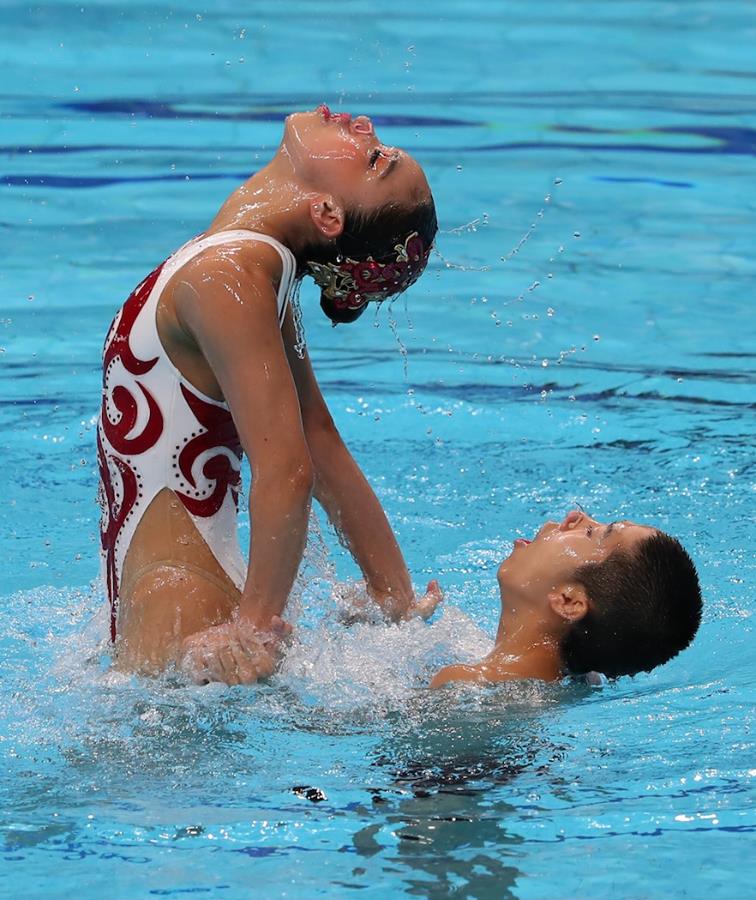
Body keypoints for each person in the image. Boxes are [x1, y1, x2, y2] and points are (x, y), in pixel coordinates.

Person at [97, 104, 442, 684]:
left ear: (327, 213)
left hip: (181, 606)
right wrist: (393, 599)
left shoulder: (231, 271)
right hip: (186, 598)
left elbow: (289, 468)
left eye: (376, 158)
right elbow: (321, 441)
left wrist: (252, 630)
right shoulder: (253, 266)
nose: (363, 124)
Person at [430, 510, 702, 687]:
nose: (575, 517)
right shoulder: (584, 681)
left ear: (568, 602)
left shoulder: (465, 683)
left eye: (591, 533)